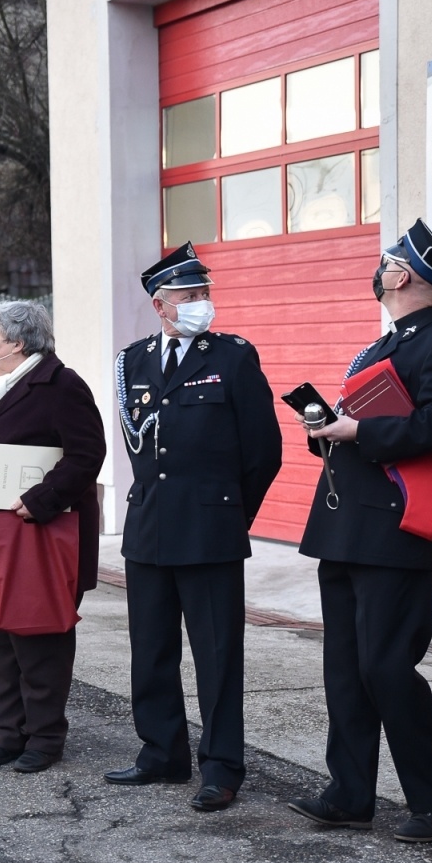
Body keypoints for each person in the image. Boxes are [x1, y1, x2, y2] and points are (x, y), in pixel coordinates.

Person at [287, 219, 432, 842]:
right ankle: (349, 793)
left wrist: (360, 432)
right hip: (345, 526)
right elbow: (361, 427)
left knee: (386, 666)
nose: (380, 269)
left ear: (401, 274)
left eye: (386, 262)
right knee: (344, 668)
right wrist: (331, 431)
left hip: (397, 530)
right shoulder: (378, 347)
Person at [105, 242, 283, 812]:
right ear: (161, 304)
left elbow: (264, 451)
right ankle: (161, 751)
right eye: (189, 294)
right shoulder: (132, 361)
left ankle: (222, 767)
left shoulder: (232, 357)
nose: (202, 302)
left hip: (210, 533)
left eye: (205, 292)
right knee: (150, 650)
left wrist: (230, 512)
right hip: (150, 528)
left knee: (217, 656)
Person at [0, 299, 105, 773]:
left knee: (38, 640)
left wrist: (41, 498)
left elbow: (87, 454)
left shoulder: (59, 384)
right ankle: (8, 731)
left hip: (33, 535)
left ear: (18, 341)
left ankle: (44, 736)